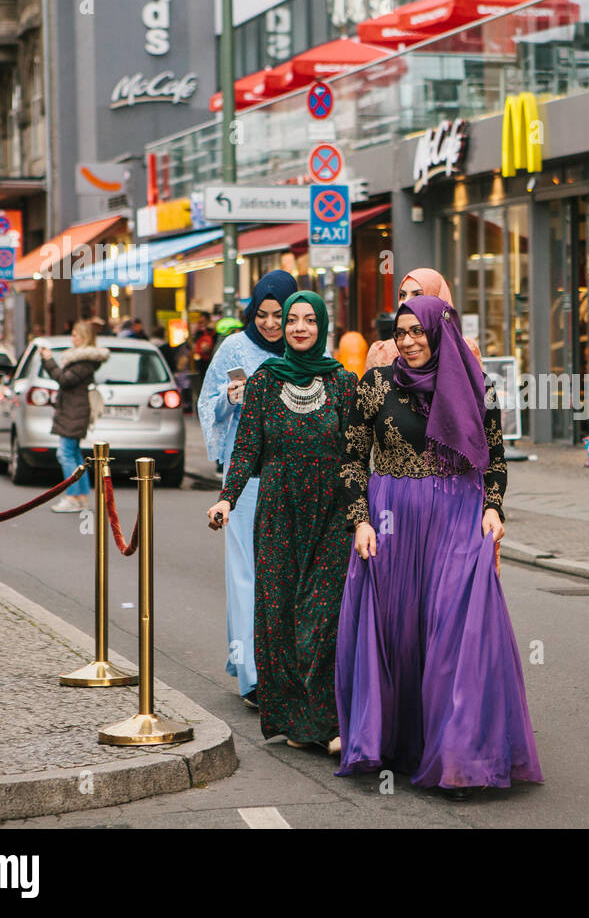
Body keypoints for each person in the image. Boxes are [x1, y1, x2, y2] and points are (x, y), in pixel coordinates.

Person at [335, 295, 542, 800]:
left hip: (457, 519)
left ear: (438, 331)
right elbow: (351, 460)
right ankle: (402, 744)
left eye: (417, 331)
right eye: (400, 332)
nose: (407, 341)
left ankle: (459, 759)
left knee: (455, 635)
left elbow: (495, 459)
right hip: (391, 523)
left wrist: (493, 507)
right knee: (400, 637)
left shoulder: (476, 386)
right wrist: (360, 520)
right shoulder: (375, 384)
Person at [205, 291, 357, 752]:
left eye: (309, 320)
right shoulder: (265, 382)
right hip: (278, 513)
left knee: (323, 615)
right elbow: (247, 447)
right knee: (281, 614)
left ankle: (328, 721)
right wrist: (227, 499)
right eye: (293, 320)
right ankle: (295, 719)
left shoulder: (342, 383)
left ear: (322, 325)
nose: (299, 328)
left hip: (331, 515)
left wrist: (363, 514)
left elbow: (355, 456)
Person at [197, 270, 297, 709]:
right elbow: (207, 404)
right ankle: (254, 676)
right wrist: (229, 398)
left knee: (288, 576)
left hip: (294, 478)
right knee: (246, 576)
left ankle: (283, 665)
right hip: (246, 478)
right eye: (263, 314)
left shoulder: (305, 344)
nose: (272, 324)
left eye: (280, 315)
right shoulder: (235, 348)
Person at [40, 321, 109, 513]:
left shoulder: (84, 360)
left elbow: (64, 380)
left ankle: (72, 496)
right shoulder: (82, 360)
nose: (72, 339)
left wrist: (49, 360)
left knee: (65, 454)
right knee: (74, 453)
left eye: (75, 335)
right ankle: (81, 496)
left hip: (74, 410)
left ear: (84, 338)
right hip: (73, 409)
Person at [365, 269, 482, 369]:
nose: (405, 302)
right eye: (402, 295)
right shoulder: (382, 352)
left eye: (417, 295)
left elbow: (479, 386)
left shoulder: (466, 348)